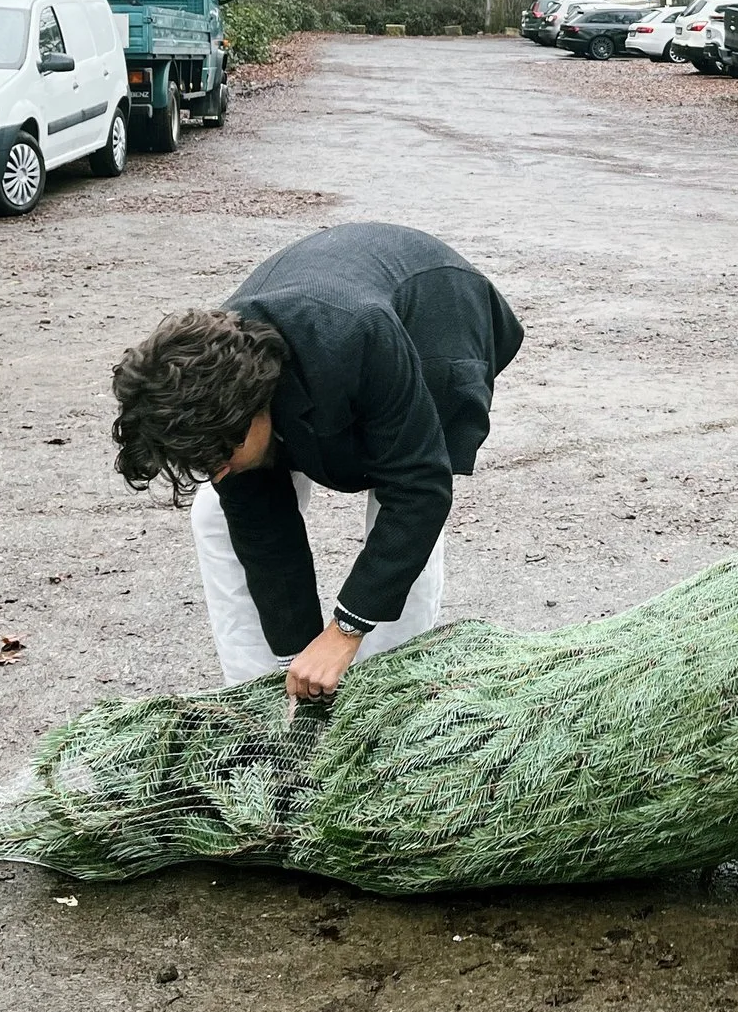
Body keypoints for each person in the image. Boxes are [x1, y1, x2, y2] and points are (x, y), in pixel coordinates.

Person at [110, 223, 523, 698]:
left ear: (254, 406)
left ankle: (389, 696)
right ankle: (261, 696)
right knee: (216, 510)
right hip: (329, 334)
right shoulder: (211, 394)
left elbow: (420, 493)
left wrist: (344, 631)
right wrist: (297, 657)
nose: (216, 469)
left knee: (395, 503)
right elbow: (265, 532)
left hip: (435, 316)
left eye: (219, 456)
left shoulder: (357, 335)